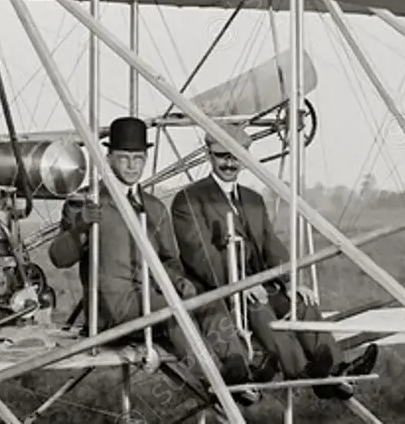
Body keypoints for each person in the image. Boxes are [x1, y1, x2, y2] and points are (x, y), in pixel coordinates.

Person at [48, 116, 258, 406]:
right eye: (124, 158)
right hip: (112, 309)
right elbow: (58, 258)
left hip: (151, 299)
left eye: (138, 158)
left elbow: (169, 261)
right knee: (173, 313)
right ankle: (217, 384)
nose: (132, 166)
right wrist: (79, 228)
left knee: (207, 301)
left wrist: (179, 281)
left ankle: (238, 373)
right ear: (109, 158)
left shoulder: (155, 209)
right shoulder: (85, 203)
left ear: (146, 158)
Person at [170, 122, 379, 400]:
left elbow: (270, 244)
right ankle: (303, 371)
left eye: (236, 156)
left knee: (302, 304)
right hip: (219, 290)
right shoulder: (189, 200)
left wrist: (290, 281)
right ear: (209, 154)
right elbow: (200, 255)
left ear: (245, 156)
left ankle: (334, 368)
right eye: (222, 156)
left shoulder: (253, 199)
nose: (229, 163)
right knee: (260, 307)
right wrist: (240, 285)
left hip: (259, 284)